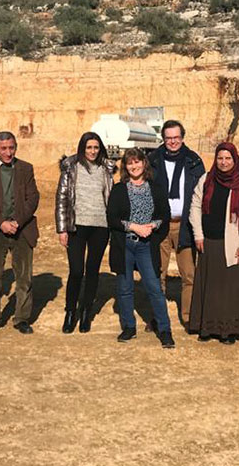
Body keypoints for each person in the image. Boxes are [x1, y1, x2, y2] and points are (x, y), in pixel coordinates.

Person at [106, 148, 175, 348]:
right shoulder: (119, 189)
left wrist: (152, 226)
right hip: (124, 244)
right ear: (125, 167)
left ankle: (165, 330)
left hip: (146, 245)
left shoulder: (156, 188)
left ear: (144, 163)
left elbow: (165, 214)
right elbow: (112, 218)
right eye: (130, 163)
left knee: (154, 288)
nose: (134, 166)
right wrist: (133, 226)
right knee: (125, 288)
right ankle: (128, 327)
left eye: (137, 162)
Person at [188, 142, 239, 344]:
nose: (223, 162)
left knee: (230, 289)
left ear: (234, 160)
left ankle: (229, 330)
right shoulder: (206, 180)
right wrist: (198, 235)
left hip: (232, 243)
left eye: (227, 158)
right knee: (210, 287)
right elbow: (195, 206)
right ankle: (207, 328)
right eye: (220, 158)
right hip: (209, 242)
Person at [0, 132, 40, 335]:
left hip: (22, 230)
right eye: (3, 148)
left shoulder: (25, 168)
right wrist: (1, 222)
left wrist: (17, 222)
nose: (8, 152)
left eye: (11, 147)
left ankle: (21, 318)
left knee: (24, 279)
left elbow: (33, 198)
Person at [148, 120, 205, 327]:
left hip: (186, 225)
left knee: (189, 274)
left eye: (176, 137)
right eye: (168, 138)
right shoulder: (152, 160)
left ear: (182, 137)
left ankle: (189, 317)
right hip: (160, 224)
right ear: (163, 139)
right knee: (157, 272)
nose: (172, 142)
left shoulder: (194, 161)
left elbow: (202, 194)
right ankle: (157, 317)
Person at [55, 132, 114, 333]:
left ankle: (86, 311)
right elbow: (62, 199)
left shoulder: (106, 169)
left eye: (96, 147)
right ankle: (70, 311)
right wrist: (62, 229)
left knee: (92, 271)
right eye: (89, 147)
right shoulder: (71, 168)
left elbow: (111, 199)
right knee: (77, 271)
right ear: (82, 148)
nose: (92, 151)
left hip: (100, 227)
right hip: (76, 227)